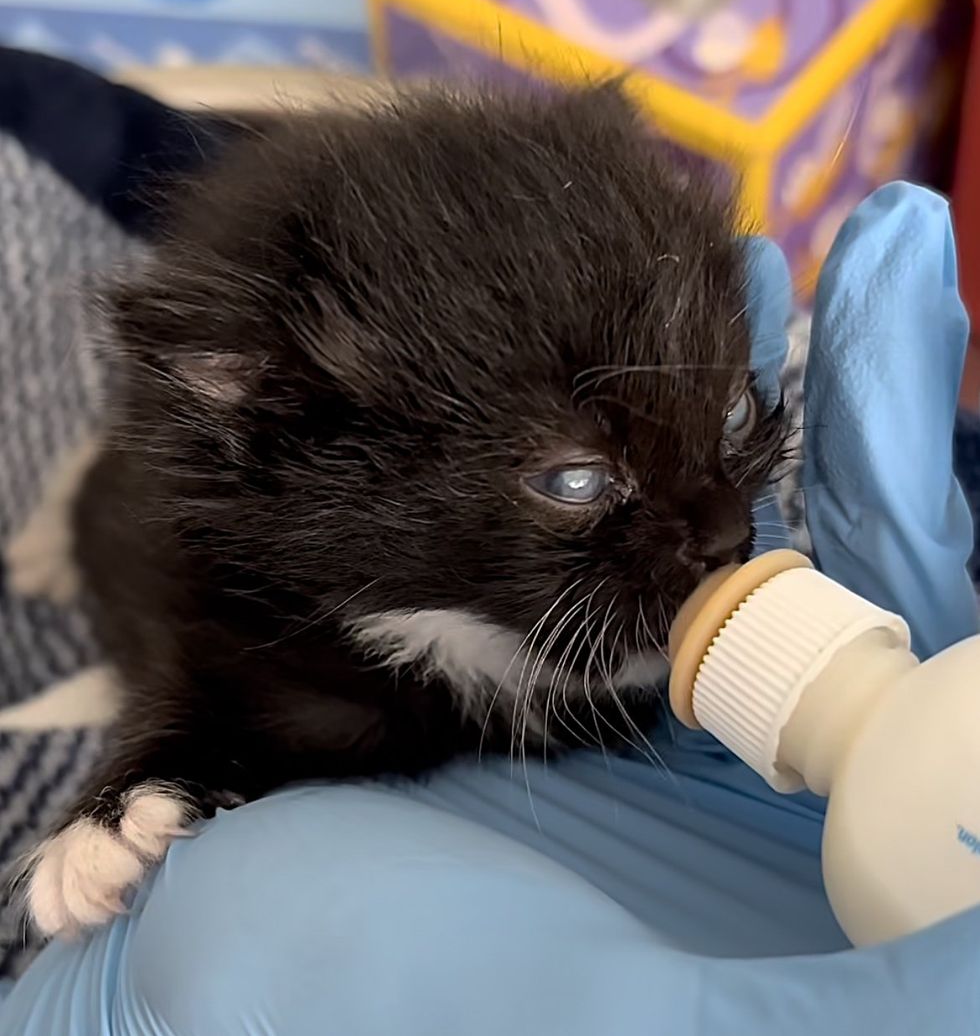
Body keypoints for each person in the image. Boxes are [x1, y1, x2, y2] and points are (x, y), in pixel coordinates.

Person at [1, 182, 977, 1035]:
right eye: (572, 480)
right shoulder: (274, 597)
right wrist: (146, 781)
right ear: (274, 416)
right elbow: (219, 690)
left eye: (727, 410)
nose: (726, 525)